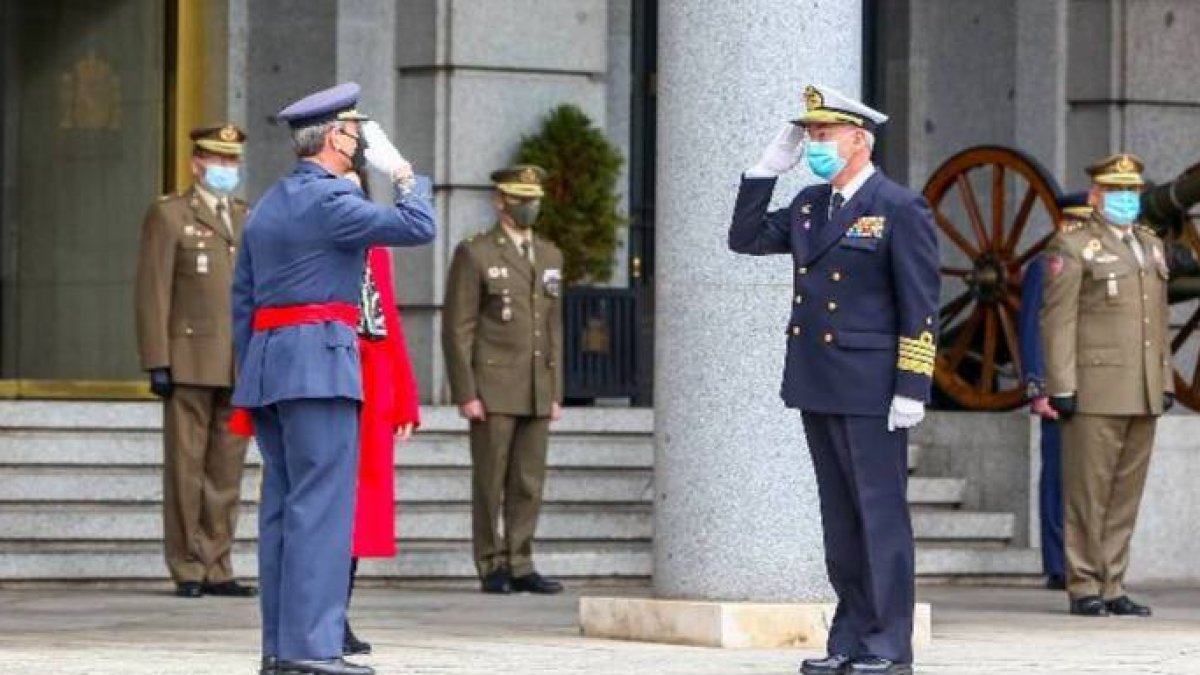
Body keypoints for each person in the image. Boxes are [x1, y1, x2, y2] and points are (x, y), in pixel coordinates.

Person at [728, 84, 939, 675]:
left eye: (825, 135)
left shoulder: (898, 206)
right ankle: (848, 638)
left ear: (859, 139)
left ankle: (888, 645)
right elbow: (742, 239)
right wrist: (763, 171)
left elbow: (919, 304)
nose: (815, 144)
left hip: (873, 387)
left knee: (880, 517)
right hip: (818, 380)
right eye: (810, 135)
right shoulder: (807, 206)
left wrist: (911, 386)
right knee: (841, 520)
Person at [232, 82, 436, 675]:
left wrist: (253, 374)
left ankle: (279, 646)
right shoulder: (329, 201)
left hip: (271, 370)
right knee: (322, 512)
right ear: (336, 137)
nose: (361, 139)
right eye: (356, 130)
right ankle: (313, 649)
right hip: (320, 366)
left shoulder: (269, 202)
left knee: (284, 512)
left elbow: (241, 300)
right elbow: (418, 225)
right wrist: (402, 171)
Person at [1040, 153, 1171, 619]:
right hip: (1094, 387)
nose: (1125, 200)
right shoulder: (1073, 246)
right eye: (1116, 192)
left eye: (1132, 192)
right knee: (1087, 492)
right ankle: (1083, 585)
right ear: (1096, 196)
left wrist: (1165, 376)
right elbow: (1058, 321)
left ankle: (1113, 582)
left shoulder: (1149, 245)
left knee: (1124, 495)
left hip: (1143, 388)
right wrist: (1061, 385)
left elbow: (1157, 322)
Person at [134, 123, 256, 599]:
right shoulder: (170, 215)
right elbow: (153, 291)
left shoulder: (244, 217)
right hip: (187, 359)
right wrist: (156, 359)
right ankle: (187, 565)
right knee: (186, 468)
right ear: (196, 163)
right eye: (218, 160)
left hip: (236, 362)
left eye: (232, 161)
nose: (226, 169)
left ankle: (218, 563)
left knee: (226, 470)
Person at [441, 164, 565, 596]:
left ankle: (521, 559)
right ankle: (490, 562)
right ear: (500, 201)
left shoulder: (549, 255)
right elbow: (459, 327)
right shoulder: (476, 253)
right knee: (490, 480)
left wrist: (556, 390)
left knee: (529, 481)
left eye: (533, 199)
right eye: (519, 198)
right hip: (493, 386)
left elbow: (552, 327)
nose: (528, 206)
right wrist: (466, 391)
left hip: (535, 385)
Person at [341, 169, 422, 657]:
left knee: (357, 512)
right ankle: (317, 616)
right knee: (329, 508)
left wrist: (405, 399)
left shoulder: (376, 249)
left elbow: (388, 321)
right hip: (328, 377)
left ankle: (339, 614)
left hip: (371, 385)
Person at [1019, 192, 1090, 592]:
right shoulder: (1045, 266)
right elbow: (1032, 328)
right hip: (1057, 388)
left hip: (1094, 385)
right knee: (1058, 480)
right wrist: (1038, 386)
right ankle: (1057, 561)